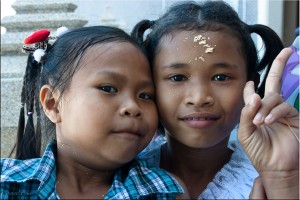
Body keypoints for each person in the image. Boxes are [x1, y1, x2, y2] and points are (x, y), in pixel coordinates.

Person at [132, 0, 299, 199]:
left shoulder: (277, 171)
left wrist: (284, 179)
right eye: (177, 78)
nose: (200, 97)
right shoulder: (118, 174)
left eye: (221, 77)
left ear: (250, 85)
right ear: (150, 86)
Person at [0, 26, 187, 199]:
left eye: (146, 95)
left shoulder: (165, 191)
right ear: (53, 104)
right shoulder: (8, 183)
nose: (133, 107)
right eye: (108, 88)